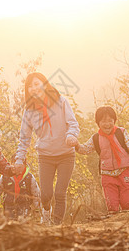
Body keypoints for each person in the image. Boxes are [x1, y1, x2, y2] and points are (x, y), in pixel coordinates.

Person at [14, 72, 80, 225]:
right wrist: (19, 159)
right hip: (45, 156)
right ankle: (46, 212)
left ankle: (56, 227)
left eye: (36, 84)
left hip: (66, 155)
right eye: (29, 86)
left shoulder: (61, 101)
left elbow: (73, 123)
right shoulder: (29, 111)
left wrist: (71, 135)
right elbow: (24, 138)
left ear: (44, 84)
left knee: (60, 193)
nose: (33, 88)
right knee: (46, 194)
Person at [75, 106, 129, 214]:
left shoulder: (121, 133)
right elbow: (84, 149)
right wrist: (75, 145)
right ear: (98, 123)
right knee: (112, 204)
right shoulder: (96, 138)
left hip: (124, 172)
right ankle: (114, 226)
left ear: (114, 121)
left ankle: (128, 224)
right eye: (103, 121)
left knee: (127, 202)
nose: (107, 124)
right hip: (107, 174)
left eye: (110, 121)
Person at [0, 156, 41, 220]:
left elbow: (36, 194)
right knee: (9, 225)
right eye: (15, 164)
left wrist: (37, 210)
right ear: (11, 164)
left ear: (24, 165)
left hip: (24, 206)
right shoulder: (5, 176)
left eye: (20, 165)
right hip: (8, 206)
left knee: (23, 225)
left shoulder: (29, 177)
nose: (17, 167)